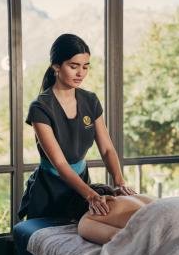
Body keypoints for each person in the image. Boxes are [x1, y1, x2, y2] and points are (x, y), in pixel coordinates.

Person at [18, 33, 136, 221]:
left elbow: (106, 149)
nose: (80, 73)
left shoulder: (90, 100)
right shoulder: (40, 107)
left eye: (85, 67)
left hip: (81, 183)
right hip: (50, 189)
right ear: (56, 66)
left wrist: (119, 182)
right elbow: (61, 164)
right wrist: (91, 195)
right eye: (73, 66)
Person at [75, 183, 155, 245]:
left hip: (157, 225)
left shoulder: (87, 218)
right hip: (165, 204)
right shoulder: (135, 196)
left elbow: (122, 238)